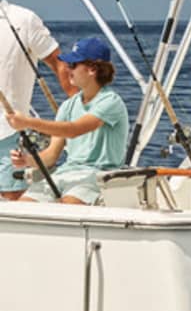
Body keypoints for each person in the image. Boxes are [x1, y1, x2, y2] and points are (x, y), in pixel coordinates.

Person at [5, 36, 129, 205]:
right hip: (66, 173)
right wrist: (26, 160)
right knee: (23, 207)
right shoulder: (68, 106)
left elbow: (74, 130)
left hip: (98, 176)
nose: (67, 69)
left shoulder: (110, 102)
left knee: (69, 204)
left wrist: (27, 122)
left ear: (92, 69)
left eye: (73, 65)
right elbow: (50, 156)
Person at [0, 0, 73, 202]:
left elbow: (59, 63)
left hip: (6, 133)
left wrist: (80, 106)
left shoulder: (23, 20)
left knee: (14, 202)